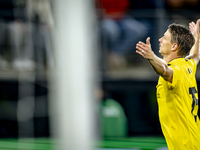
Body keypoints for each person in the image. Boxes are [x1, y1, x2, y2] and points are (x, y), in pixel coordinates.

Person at [136, 19, 200, 149]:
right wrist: (197, 38)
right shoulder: (187, 65)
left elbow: (165, 70)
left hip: (184, 145)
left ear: (174, 46)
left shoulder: (176, 70)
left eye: (164, 38)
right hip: (193, 140)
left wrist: (151, 56)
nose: (160, 39)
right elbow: (195, 55)